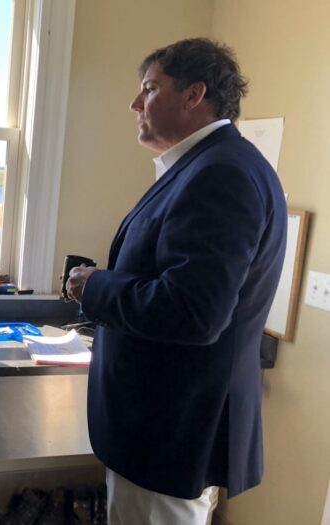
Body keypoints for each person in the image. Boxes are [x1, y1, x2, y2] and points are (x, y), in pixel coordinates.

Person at [65, 38, 286, 525]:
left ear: (193, 95)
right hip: (169, 427)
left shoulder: (220, 173)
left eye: (149, 88)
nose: (134, 104)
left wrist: (95, 285)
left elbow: (193, 311)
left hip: (170, 431)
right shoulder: (203, 167)